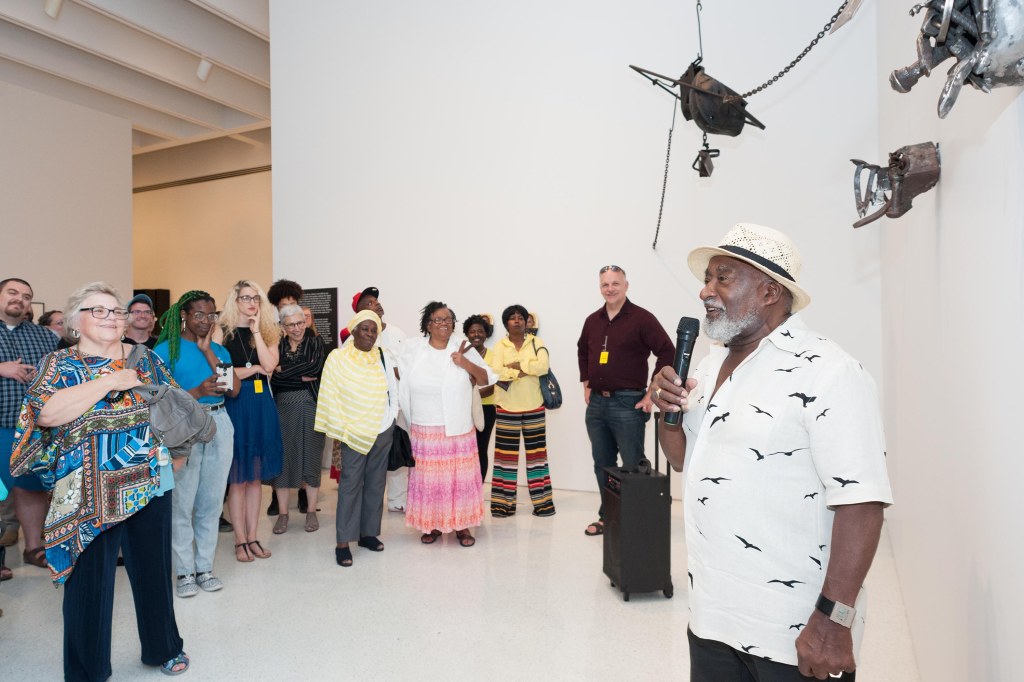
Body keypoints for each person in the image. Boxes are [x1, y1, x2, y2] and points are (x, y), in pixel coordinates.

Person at [651, 223, 892, 681]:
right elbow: (685, 458)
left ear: (768, 291)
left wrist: (832, 622)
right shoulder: (709, 364)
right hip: (712, 617)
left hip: (795, 633)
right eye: (707, 278)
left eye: (723, 277)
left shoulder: (829, 372)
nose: (705, 290)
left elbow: (862, 501)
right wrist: (667, 411)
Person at [10, 281, 189, 679]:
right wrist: (109, 381)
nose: (111, 317)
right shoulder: (58, 365)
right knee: (88, 584)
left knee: (153, 573)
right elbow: (45, 414)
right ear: (76, 321)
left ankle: (163, 646)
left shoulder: (146, 359)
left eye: (116, 311)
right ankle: (87, 669)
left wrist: (177, 454)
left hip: (149, 481)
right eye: (99, 310)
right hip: (85, 490)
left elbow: (173, 404)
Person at [153, 291, 240, 598]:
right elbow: (157, 401)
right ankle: (184, 572)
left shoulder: (218, 350)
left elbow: (233, 389)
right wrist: (197, 391)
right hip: (184, 426)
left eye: (211, 315)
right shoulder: (165, 351)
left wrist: (208, 354)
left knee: (212, 502)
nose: (206, 321)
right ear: (184, 317)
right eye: (199, 315)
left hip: (219, 423)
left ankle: (205, 568)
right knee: (182, 503)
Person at [577, 265, 674, 536]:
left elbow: (667, 351)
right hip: (596, 405)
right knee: (603, 464)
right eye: (605, 284)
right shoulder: (592, 320)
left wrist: (652, 392)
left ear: (626, 285)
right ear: (600, 288)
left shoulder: (642, 319)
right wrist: (586, 382)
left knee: (632, 465)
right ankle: (609, 517)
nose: (610, 289)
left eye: (615, 284)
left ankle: (636, 520)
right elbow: (582, 350)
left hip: (628, 404)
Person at [399, 302, 495, 547]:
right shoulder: (413, 348)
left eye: (448, 319)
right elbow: (397, 374)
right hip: (424, 426)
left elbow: (486, 379)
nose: (444, 323)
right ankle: (432, 524)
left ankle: (462, 526)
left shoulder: (463, 347)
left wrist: (465, 363)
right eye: (438, 319)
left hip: (457, 427)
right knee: (430, 480)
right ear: (428, 325)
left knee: (459, 480)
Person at [315, 310, 398, 566]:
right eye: (365, 329)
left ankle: (367, 534)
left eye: (374, 330)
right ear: (353, 330)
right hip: (353, 431)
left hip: (382, 428)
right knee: (351, 484)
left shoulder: (382, 356)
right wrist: (342, 427)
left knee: (376, 484)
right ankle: (343, 541)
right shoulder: (338, 358)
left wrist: (392, 417)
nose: (370, 334)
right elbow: (330, 393)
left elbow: (392, 390)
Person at [219, 280, 283, 562]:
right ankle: (240, 540)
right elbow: (222, 377)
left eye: (256, 298)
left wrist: (256, 331)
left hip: (261, 405)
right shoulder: (222, 333)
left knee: (255, 478)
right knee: (238, 479)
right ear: (234, 301)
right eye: (245, 298)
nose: (251, 303)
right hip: (235, 402)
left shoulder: (268, 331)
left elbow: (270, 366)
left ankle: (254, 536)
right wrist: (252, 369)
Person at [0, 277, 58, 581]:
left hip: (34, 428)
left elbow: (59, 372)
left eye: (26, 296)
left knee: (31, 488)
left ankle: (33, 547)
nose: (19, 299)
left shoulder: (44, 337)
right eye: (12, 292)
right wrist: (2, 368)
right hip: (0, 425)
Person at [487, 305, 555, 517]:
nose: (516, 321)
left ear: (527, 322)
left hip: (534, 405)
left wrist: (519, 365)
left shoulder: (537, 342)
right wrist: (521, 371)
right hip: (507, 407)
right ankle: (502, 506)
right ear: (506, 323)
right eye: (512, 318)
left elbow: (543, 366)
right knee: (505, 459)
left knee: (537, 458)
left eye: (520, 318)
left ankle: (543, 505)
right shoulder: (500, 346)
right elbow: (496, 372)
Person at [349, 287, 408, 513]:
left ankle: (397, 499)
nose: (377, 304)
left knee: (398, 451)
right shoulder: (356, 339)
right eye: (370, 302)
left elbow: (405, 366)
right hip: (369, 408)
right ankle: (368, 501)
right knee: (370, 457)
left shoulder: (397, 332)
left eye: (377, 300)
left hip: (397, 403)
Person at [270, 305, 325, 534]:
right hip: (282, 408)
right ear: (283, 326)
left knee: (311, 457)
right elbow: (273, 376)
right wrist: (296, 375)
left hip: (311, 405)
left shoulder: (315, 343)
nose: (297, 328)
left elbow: (314, 367)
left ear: (306, 322)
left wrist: (284, 371)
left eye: (300, 323)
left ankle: (311, 511)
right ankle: (283, 515)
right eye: (291, 324)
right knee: (284, 460)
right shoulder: (277, 346)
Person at [265, 279, 312, 516]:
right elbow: (272, 371)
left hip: (304, 400)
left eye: (293, 302)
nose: (288, 306)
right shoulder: (271, 332)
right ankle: (276, 496)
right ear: (276, 305)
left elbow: (312, 370)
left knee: (304, 448)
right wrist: (289, 373)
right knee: (281, 448)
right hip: (278, 399)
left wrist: (286, 371)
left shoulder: (306, 330)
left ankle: (304, 494)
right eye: (284, 303)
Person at [463, 314, 495, 480]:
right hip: (463, 409)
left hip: (487, 409)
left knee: (480, 449)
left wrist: (469, 394)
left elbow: (491, 388)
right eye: (472, 331)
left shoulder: (494, 356)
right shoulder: (462, 356)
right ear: (467, 334)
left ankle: (478, 487)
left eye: (480, 331)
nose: (476, 334)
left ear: (486, 334)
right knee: (465, 450)